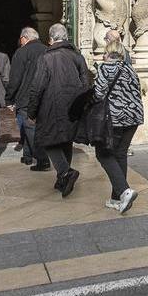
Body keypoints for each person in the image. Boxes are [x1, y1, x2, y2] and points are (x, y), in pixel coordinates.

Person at [25, 23, 89, 197]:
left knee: (49, 140)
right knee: (65, 140)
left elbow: (37, 87)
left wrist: (31, 111)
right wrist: (80, 104)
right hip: (72, 106)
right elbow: (85, 83)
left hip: (50, 107)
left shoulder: (46, 58)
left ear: (51, 39)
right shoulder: (78, 56)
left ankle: (65, 172)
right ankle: (62, 179)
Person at [93, 39, 143, 213]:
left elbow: (98, 94)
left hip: (114, 119)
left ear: (108, 53)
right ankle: (117, 199)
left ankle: (124, 190)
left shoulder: (105, 69)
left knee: (103, 154)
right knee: (120, 154)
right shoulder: (130, 68)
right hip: (134, 117)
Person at [7, 27, 48, 170]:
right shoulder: (47, 50)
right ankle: (28, 155)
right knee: (31, 126)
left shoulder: (21, 52)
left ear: (24, 38)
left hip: (26, 96)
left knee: (29, 127)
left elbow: (15, 78)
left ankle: (42, 159)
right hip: (44, 95)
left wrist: (9, 98)